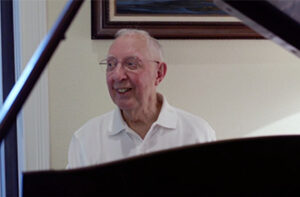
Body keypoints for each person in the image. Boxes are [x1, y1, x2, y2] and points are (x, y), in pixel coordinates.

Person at [67, 29, 216, 169]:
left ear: (159, 73)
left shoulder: (197, 134)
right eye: (111, 64)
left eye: (131, 64)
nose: (117, 75)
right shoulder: (85, 139)